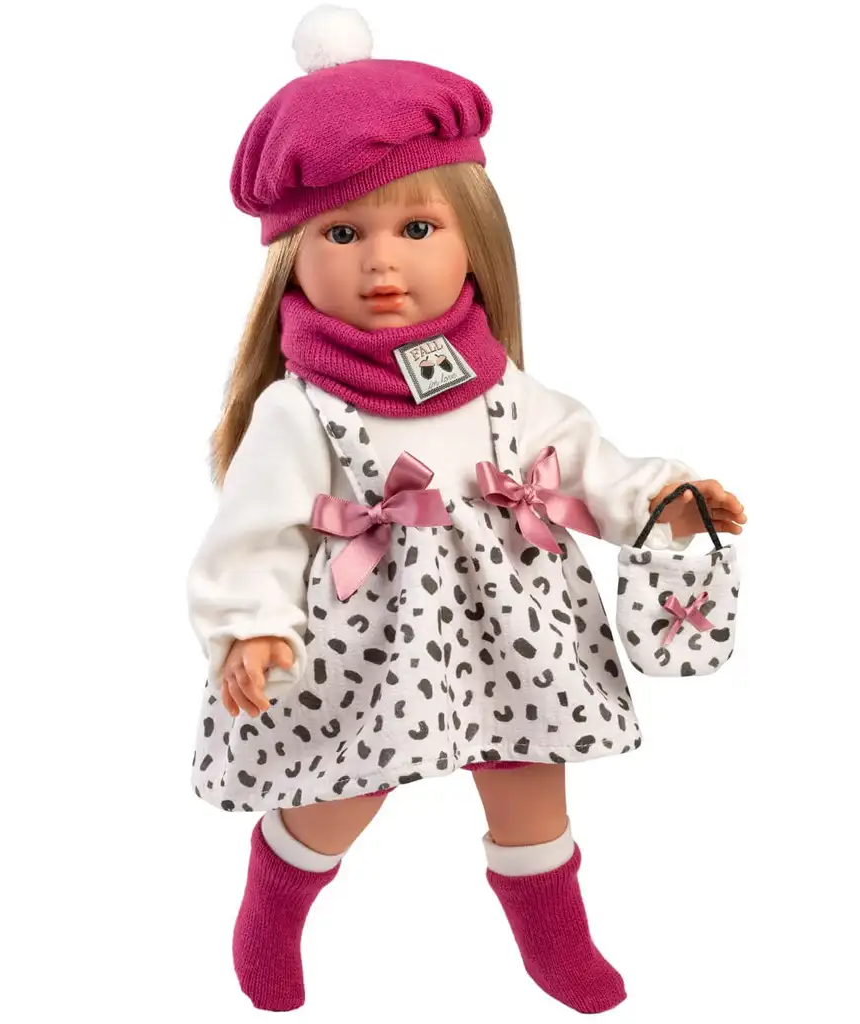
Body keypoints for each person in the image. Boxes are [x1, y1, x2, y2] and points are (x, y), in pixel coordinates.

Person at [186, 5, 746, 1013]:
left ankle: (554, 938)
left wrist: (663, 499)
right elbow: (254, 530)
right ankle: (274, 901)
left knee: (531, 772)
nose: (381, 263)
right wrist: (252, 626)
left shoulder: (497, 383)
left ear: (475, 239)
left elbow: (584, 460)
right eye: (343, 233)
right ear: (291, 255)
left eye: (418, 228)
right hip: (366, 632)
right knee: (340, 789)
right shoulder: (299, 407)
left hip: (511, 620)